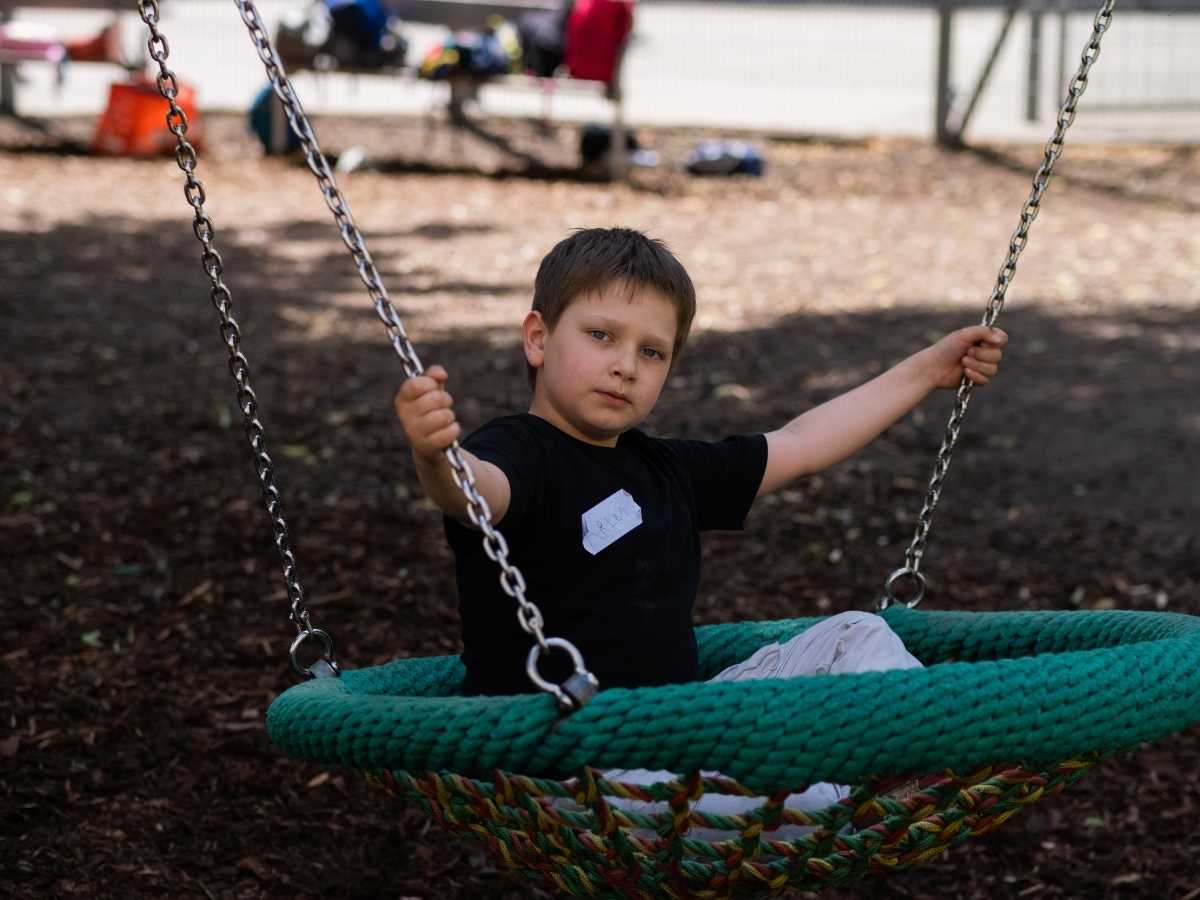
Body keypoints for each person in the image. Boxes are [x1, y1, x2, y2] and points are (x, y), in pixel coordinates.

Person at [395, 226, 1005, 832]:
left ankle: (928, 759)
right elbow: (475, 493)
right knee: (786, 801)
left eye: (652, 352)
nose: (625, 366)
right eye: (601, 335)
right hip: (569, 761)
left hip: (683, 734)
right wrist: (436, 456)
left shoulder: (667, 470)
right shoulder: (519, 451)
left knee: (857, 634)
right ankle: (852, 795)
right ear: (538, 338)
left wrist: (927, 371)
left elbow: (802, 442)